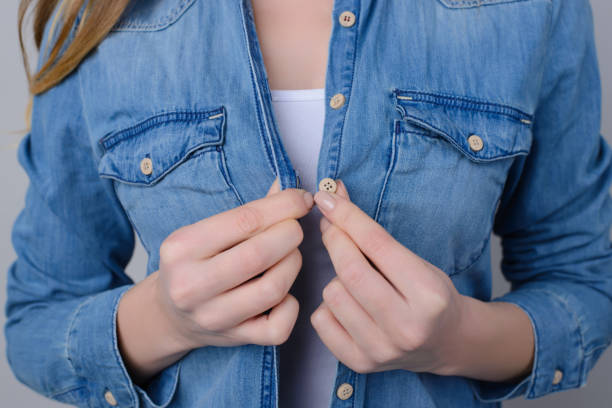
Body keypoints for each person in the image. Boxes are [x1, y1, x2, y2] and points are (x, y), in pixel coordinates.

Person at [5, 0, 612, 407]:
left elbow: (585, 280)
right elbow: (35, 321)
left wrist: (459, 340)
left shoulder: (532, 10)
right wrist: (163, 319)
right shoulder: (95, 20)